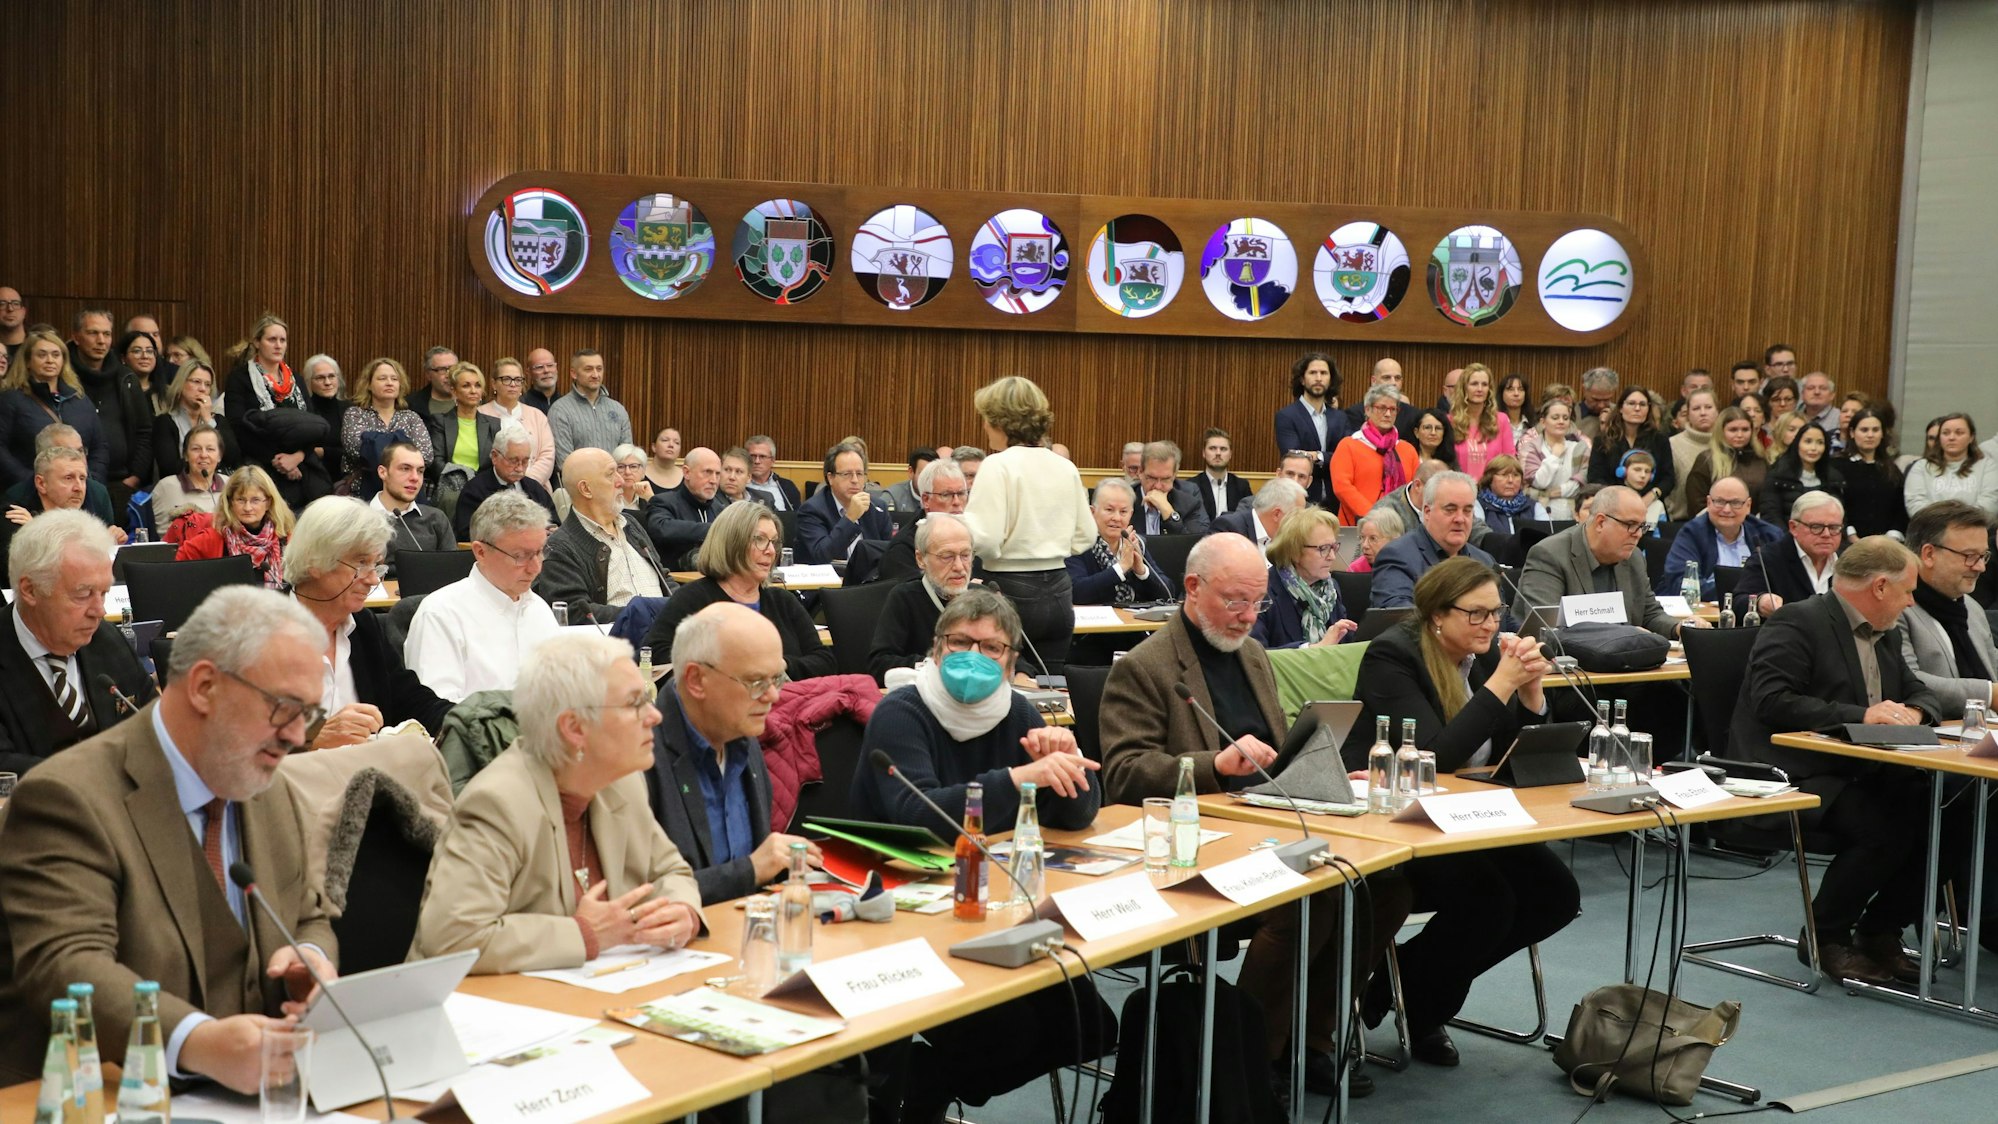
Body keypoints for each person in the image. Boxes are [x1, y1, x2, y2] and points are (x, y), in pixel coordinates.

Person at [0, 585, 339, 1092]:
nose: (296, 736)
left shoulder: (270, 787)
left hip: (254, 1092)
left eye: (308, 715)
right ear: (204, 686)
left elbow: (309, 912)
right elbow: (66, 966)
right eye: (284, 707)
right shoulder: (68, 796)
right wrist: (198, 1042)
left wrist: (311, 955)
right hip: (104, 1091)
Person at [1101, 533, 1403, 1095]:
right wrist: (1214, 762)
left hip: (1269, 825)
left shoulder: (1255, 656)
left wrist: (1331, 773)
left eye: (1258, 603)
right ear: (1192, 588)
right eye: (1234, 600)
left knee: (1381, 888)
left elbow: (1278, 754)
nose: (1247, 616)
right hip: (1196, 844)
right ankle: (1252, 1058)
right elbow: (1124, 774)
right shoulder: (1146, 667)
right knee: (1307, 901)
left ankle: (1308, 1040)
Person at [1340, 556, 1576, 1062]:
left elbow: (1517, 761)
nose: (1491, 624)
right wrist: (1503, 685)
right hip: (1399, 827)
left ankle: (1403, 991)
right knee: (1488, 900)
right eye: (1477, 614)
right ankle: (1425, 1010)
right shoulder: (1392, 657)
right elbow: (1433, 759)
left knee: (1556, 894)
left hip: (1472, 820)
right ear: (1436, 616)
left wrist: (1532, 693)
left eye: (1497, 612)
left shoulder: (1488, 656)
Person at [412, 631, 704, 973]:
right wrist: (583, 934)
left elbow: (671, 870)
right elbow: (450, 939)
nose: (655, 716)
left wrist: (684, 912)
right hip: (492, 1010)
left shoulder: (621, 782)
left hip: (594, 996)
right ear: (574, 728)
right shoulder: (498, 803)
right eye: (634, 703)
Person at [1732, 537, 1941, 985]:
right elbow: (1772, 701)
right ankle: (1825, 936)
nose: (1910, 602)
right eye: (1907, 591)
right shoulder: (1798, 621)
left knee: (1950, 817)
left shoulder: (1887, 632)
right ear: (1881, 587)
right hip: (1796, 768)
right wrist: (1861, 715)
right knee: (1882, 824)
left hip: (1862, 766)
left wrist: (1916, 712)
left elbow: (1917, 689)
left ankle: (1880, 931)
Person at [645, 603, 821, 904]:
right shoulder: (640, 757)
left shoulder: (742, 734)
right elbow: (642, 896)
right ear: (696, 680)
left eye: (776, 679)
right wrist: (750, 870)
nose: (773, 696)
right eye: (756, 682)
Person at [0, 511, 158, 775]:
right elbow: (4, 766)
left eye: (104, 592)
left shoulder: (106, 640)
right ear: (30, 590)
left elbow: (153, 724)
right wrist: (98, 774)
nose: (100, 610)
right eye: (83, 594)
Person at [283, 495, 451, 743]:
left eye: (376, 566)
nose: (373, 579)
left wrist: (471, 719)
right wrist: (311, 739)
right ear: (314, 562)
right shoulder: (258, 633)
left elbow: (411, 699)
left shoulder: (363, 625)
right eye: (361, 563)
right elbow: (232, 739)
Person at [961, 376, 1095, 675]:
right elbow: (1086, 534)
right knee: (1053, 689)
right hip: (1061, 591)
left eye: (985, 419)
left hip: (1012, 590)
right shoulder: (1065, 467)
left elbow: (986, 538)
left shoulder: (998, 465)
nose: (984, 427)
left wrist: (959, 527)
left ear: (999, 421)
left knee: (1008, 687)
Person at [641, 502, 834, 680]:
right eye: (759, 539)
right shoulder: (693, 598)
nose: (771, 551)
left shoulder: (783, 600)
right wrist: (724, 669)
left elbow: (824, 661)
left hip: (788, 707)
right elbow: (655, 655)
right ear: (732, 543)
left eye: (774, 542)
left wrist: (780, 665)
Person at [404, 490, 560, 703]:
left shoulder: (539, 609)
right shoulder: (441, 614)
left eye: (540, 551)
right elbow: (439, 712)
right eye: (520, 556)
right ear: (481, 552)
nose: (536, 568)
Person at [1512, 484, 1697, 638]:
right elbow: (1546, 629)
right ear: (1601, 522)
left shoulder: (1634, 557)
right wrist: (1625, 634)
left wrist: (1679, 628)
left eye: (1642, 526)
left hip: (1623, 665)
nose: (1639, 534)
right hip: (1568, 672)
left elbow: (1650, 614)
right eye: (1631, 525)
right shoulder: (1549, 555)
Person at [537, 448, 671, 627]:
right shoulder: (560, 546)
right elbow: (575, 612)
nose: (621, 481)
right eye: (611, 474)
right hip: (616, 643)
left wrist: (680, 605)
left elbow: (664, 577)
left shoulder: (631, 524)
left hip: (665, 632)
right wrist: (645, 613)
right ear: (586, 489)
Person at [1898, 501, 1998, 720]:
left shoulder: (1971, 608)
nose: (1980, 567)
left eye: (1983, 556)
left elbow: (1994, 667)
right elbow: (1907, 679)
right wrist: (1989, 694)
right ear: (1929, 554)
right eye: (1970, 556)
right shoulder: (1896, 607)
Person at [223, 315, 332, 510]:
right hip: (261, 464)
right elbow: (238, 428)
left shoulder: (296, 379)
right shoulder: (240, 378)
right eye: (272, 340)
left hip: (303, 463)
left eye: (282, 340)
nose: (278, 345)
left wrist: (297, 457)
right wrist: (279, 460)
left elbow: (315, 426)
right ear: (257, 342)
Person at [871, 513, 992, 682]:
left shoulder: (984, 597)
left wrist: (1021, 673)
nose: (959, 566)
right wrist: (938, 665)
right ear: (921, 559)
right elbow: (880, 664)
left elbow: (1016, 656)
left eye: (965, 555)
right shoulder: (905, 598)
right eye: (947, 557)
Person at [1370, 470, 1497, 609]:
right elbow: (1399, 614)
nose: (1460, 519)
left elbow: (1502, 617)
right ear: (1427, 512)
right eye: (1450, 509)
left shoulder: (1485, 561)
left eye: (1467, 511)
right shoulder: (1397, 556)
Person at [0, 327, 109, 488]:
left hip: (80, 490)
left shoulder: (79, 398)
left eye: (56, 355)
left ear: (63, 360)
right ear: (28, 361)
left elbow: (99, 446)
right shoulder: (11, 399)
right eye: (42, 355)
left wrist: (92, 480)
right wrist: (32, 483)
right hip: (31, 491)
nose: (50, 360)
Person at [1657, 476, 1783, 600]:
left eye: (1735, 503)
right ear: (1708, 503)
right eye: (1720, 502)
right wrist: (1742, 594)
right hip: (1704, 614)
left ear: (1748, 506)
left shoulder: (1768, 534)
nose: (1727, 510)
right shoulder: (1691, 533)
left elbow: (1783, 580)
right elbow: (1681, 583)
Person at [1256, 507, 1358, 648]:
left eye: (1334, 547)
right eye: (1323, 549)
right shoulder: (1261, 591)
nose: (1332, 557)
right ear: (1294, 551)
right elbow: (1255, 655)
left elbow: (1345, 644)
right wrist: (1311, 650)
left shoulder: (1331, 588)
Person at [175, 466, 294, 587]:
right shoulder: (214, 537)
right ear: (230, 502)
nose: (247, 508)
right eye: (241, 500)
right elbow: (173, 566)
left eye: (255, 500)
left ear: (268, 503)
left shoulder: (286, 538)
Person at [1733, 490, 1846, 616]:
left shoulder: (1849, 561)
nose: (1826, 534)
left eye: (1834, 528)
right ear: (1793, 527)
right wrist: (1760, 601)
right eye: (1816, 527)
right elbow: (1738, 602)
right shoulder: (1768, 558)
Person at [336, 357, 434, 496]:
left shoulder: (411, 417)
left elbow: (426, 456)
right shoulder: (355, 414)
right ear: (369, 384)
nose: (389, 383)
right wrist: (403, 442)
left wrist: (375, 440)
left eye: (394, 379)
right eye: (382, 378)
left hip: (406, 492)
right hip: (362, 493)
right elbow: (358, 450)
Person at [1067, 479, 1172, 606]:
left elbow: (1169, 594)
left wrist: (1141, 571)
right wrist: (1121, 568)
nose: (1116, 518)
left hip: (1135, 623)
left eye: (1123, 512)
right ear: (1092, 512)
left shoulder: (1134, 543)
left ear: (1131, 514)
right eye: (1109, 510)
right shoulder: (1078, 544)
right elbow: (1076, 593)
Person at [452, 423, 558, 542]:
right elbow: (469, 535)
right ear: (494, 457)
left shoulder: (535, 489)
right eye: (513, 461)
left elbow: (555, 524)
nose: (519, 468)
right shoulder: (474, 491)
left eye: (525, 461)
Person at [1331, 386, 1419, 525]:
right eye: (1381, 408)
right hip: (1358, 526)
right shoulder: (1349, 445)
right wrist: (1374, 516)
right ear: (1367, 409)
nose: (1388, 414)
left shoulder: (1407, 449)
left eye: (1392, 409)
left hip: (1401, 527)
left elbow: (1416, 489)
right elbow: (1342, 487)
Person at [874, 457, 969, 585]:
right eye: (946, 495)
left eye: (961, 493)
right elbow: (910, 598)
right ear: (926, 500)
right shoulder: (903, 550)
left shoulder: (971, 535)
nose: (957, 502)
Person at [796, 441, 893, 564]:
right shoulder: (811, 510)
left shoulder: (878, 508)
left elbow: (890, 554)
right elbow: (822, 555)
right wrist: (850, 518)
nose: (855, 480)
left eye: (859, 474)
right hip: (831, 580)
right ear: (830, 478)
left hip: (871, 580)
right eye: (847, 474)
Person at [1273, 352, 1348, 506]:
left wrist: (1318, 456)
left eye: (1324, 373)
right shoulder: (1287, 416)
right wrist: (1328, 459)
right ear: (1302, 379)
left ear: (1330, 379)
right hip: (1299, 499)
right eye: (1313, 373)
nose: (1319, 378)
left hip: (1336, 500)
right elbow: (1295, 457)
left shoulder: (1340, 418)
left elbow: (1346, 458)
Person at [371, 441, 456, 575]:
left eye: (420, 471)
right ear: (383, 472)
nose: (415, 478)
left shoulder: (436, 518)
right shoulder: (359, 520)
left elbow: (451, 570)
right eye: (405, 469)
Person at [422, 361, 502, 503]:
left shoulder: (493, 424)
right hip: (450, 487)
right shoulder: (440, 421)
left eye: (477, 385)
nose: (473, 390)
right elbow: (436, 463)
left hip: (484, 488)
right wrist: (462, 482)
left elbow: (497, 462)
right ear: (454, 391)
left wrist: (478, 485)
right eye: (466, 386)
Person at [93, 330, 158, 502]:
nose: (144, 356)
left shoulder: (166, 393)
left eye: (150, 351)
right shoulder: (115, 385)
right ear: (123, 357)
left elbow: (145, 433)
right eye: (137, 350)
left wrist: (135, 477)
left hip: (132, 482)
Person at [1588, 385, 1675, 513]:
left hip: (1649, 504)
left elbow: (1668, 478)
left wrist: (1650, 496)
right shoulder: (1603, 440)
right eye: (1632, 403)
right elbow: (1595, 478)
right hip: (1613, 506)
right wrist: (1620, 499)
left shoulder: (1660, 440)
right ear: (1621, 408)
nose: (1637, 408)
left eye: (1643, 404)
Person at [153, 360, 241, 481]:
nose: (202, 389)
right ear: (181, 384)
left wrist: (209, 420)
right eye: (196, 382)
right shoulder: (165, 422)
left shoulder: (218, 421)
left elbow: (233, 457)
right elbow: (168, 468)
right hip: (181, 487)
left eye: (207, 384)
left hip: (217, 487)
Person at [644, 446, 730, 569]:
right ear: (687, 472)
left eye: (718, 474)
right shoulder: (663, 502)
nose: (713, 480)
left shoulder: (720, 510)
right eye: (707, 472)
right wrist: (713, 529)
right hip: (676, 582)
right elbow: (661, 529)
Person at [477, 357, 556, 487]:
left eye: (518, 380)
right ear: (493, 383)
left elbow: (547, 455)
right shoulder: (481, 414)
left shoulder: (537, 415)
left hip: (535, 488)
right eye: (506, 379)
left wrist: (527, 483)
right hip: (493, 488)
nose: (513, 384)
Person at [547, 348, 633, 465]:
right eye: (588, 369)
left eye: (599, 369)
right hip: (579, 482)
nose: (595, 375)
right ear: (574, 373)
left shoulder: (618, 409)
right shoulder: (560, 410)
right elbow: (565, 462)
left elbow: (627, 455)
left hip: (615, 481)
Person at [1905, 413, 1998, 519]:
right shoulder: (1921, 467)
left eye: (1959, 433)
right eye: (1945, 433)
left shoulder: (1987, 466)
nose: (1951, 437)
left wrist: (1961, 524)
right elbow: (1916, 504)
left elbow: (1990, 503)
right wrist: (1944, 525)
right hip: (1931, 531)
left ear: (1971, 437)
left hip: (1974, 529)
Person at [1683, 405, 1767, 519]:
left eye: (1745, 429)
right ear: (1721, 431)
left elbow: (1768, 499)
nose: (1740, 435)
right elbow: (1697, 503)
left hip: (1754, 527)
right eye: (1733, 430)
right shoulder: (1706, 460)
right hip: (1715, 525)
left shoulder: (1760, 459)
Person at [1517, 398, 1589, 520]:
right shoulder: (1530, 448)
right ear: (1543, 422)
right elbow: (1539, 481)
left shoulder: (1580, 448)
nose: (1561, 422)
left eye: (1565, 418)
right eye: (1555, 418)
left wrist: (1555, 492)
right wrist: (1554, 457)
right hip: (1538, 513)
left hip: (1572, 514)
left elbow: (1581, 484)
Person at [152, 424, 228, 538]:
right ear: (186, 455)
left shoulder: (231, 485)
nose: (203, 455)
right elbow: (165, 538)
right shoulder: (167, 487)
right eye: (196, 449)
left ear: (219, 456)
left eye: (210, 449)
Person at [1843, 408, 1908, 538]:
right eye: (1864, 430)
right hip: (1847, 541)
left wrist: (1891, 537)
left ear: (1882, 433)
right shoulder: (1838, 466)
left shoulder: (1892, 469)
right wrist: (1851, 535)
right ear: (1852, 432)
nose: (1870, 435)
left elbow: (1900, 509)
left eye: (1875, 430)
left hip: (1887, 543)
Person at [1762, 422, 1844, 524]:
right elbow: (1771, 516)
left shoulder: (1834, 478)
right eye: (1808, 441)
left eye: (1820, 442)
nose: (1814, 448)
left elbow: (1841, 517)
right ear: (1797, 444)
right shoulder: (1778, 476)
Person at [1449, 363, 1515, 479]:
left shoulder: (1501, 420)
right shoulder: (1450, 421)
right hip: (1459, 488)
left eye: (1484, 384)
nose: (1480, 389)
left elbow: (1509, 460)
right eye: (1474, 384)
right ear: (1464, 388)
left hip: (1492, 490)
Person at [1132, 439, 1211, 535]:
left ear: (1174, 476)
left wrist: (1168, 513)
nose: (1158, 486)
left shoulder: (1189, 505)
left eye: (1165, 479)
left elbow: (1194, 544)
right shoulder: (1124, 502)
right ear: (1140, 472)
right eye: (1152, 478)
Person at [1665, 389, 1719, 520]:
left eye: (1708, 407)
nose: (1703, 413)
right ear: (1688, 414)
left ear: (1717, 410)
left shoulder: (1728, 444)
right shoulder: (1671, 445)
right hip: (1679, 521)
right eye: (1696, 408)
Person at [1213, 476, 1307, 548]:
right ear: (1277, 514)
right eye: (1298, 516)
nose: (1300, 523)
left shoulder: (1290, 540)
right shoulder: (1229, 529)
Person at [1341, 357, 1423, 432]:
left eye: (1397, 378)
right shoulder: (1355, 413)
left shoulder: (1413, 414)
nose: (1393, 383)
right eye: (1387, 377)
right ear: (1374, 381)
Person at [302, 354, 349, 487]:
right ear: (309, 382)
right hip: (312, 480)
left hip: (346, 481)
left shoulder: (350, 410)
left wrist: (324, 452)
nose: (327, 382)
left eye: (332, 376)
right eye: (320, 378)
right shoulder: (303, 411)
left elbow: (356, 452)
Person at [1192, 427, 1251, 522]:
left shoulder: (1241, 486)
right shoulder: (1192, 486)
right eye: (1212, 448)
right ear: (1204, 453)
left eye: (1223, 449)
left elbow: (1248, 519)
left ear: (1230, 454)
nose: (1218, 453)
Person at [1476, 455, 1534, 536]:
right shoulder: (1478, 505)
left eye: (1515, 475)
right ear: (1489, 479)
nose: (1510, 480)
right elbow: (1479, 535)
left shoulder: (1533, 506)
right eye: (1504, 475)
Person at [742, 434, 800, 510]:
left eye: (762, 456)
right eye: (752, 456)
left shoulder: (787, 487)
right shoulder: (739, 484)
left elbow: (796, 517)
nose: (757, 461)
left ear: (772, 461)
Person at [1571, 366, 1621, 444]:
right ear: (1584, 389)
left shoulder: (1620, 414)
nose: (1601, 405)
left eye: (1606, 400)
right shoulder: (1569, 414)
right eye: (1595, 400)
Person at [1618, 449, 1667, 527]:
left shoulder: (1657, 505)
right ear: (1623, 471)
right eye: (1637, 470)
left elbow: (1660, 536)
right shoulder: (1613, 502)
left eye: (1647, 471)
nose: (1643, 475)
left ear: (1651, 476)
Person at [408, 346, 460, 415]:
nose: (449, 375)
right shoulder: (410, 405)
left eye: (453, 368)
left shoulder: (474, 401)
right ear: (428, 375)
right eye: (442, 369)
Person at [1350, 506, 1403, 573]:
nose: (1365, 545)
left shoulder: (1410, 567)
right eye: (1362, 537)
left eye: (1373, 538)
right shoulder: (1355, 570)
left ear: (1394, 541)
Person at [886, 445, 936, 512]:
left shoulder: (943, 495)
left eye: (932, 475)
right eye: (923, 475)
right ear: (911, 472)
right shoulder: (893, 497)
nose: (928, 480)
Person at [612, 443, 654, 512]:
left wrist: (651, 499)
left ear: (643, 472)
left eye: (633, 466)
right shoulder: (607, 501)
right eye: (621, 467)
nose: (627, 472)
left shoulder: (648, 499)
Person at [1798, 371, 1842, 436]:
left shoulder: (1840, 418)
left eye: (1823, 388)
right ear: (1802, 394)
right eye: (1811, 388)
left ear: (1832, 395)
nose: (1817, 392)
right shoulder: (1794, 417)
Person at [644, 426, 684, 493]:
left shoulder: (687, 477)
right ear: (654, 447)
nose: (671, 445)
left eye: (676, 442)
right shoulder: (640, 474)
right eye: (665, 440)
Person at [522, 347, 560, 414]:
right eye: (539, 367)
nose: (546, 371)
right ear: (529, 372)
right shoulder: (522, 405)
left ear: (556, 369)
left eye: (550, 365)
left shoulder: (568, 404)